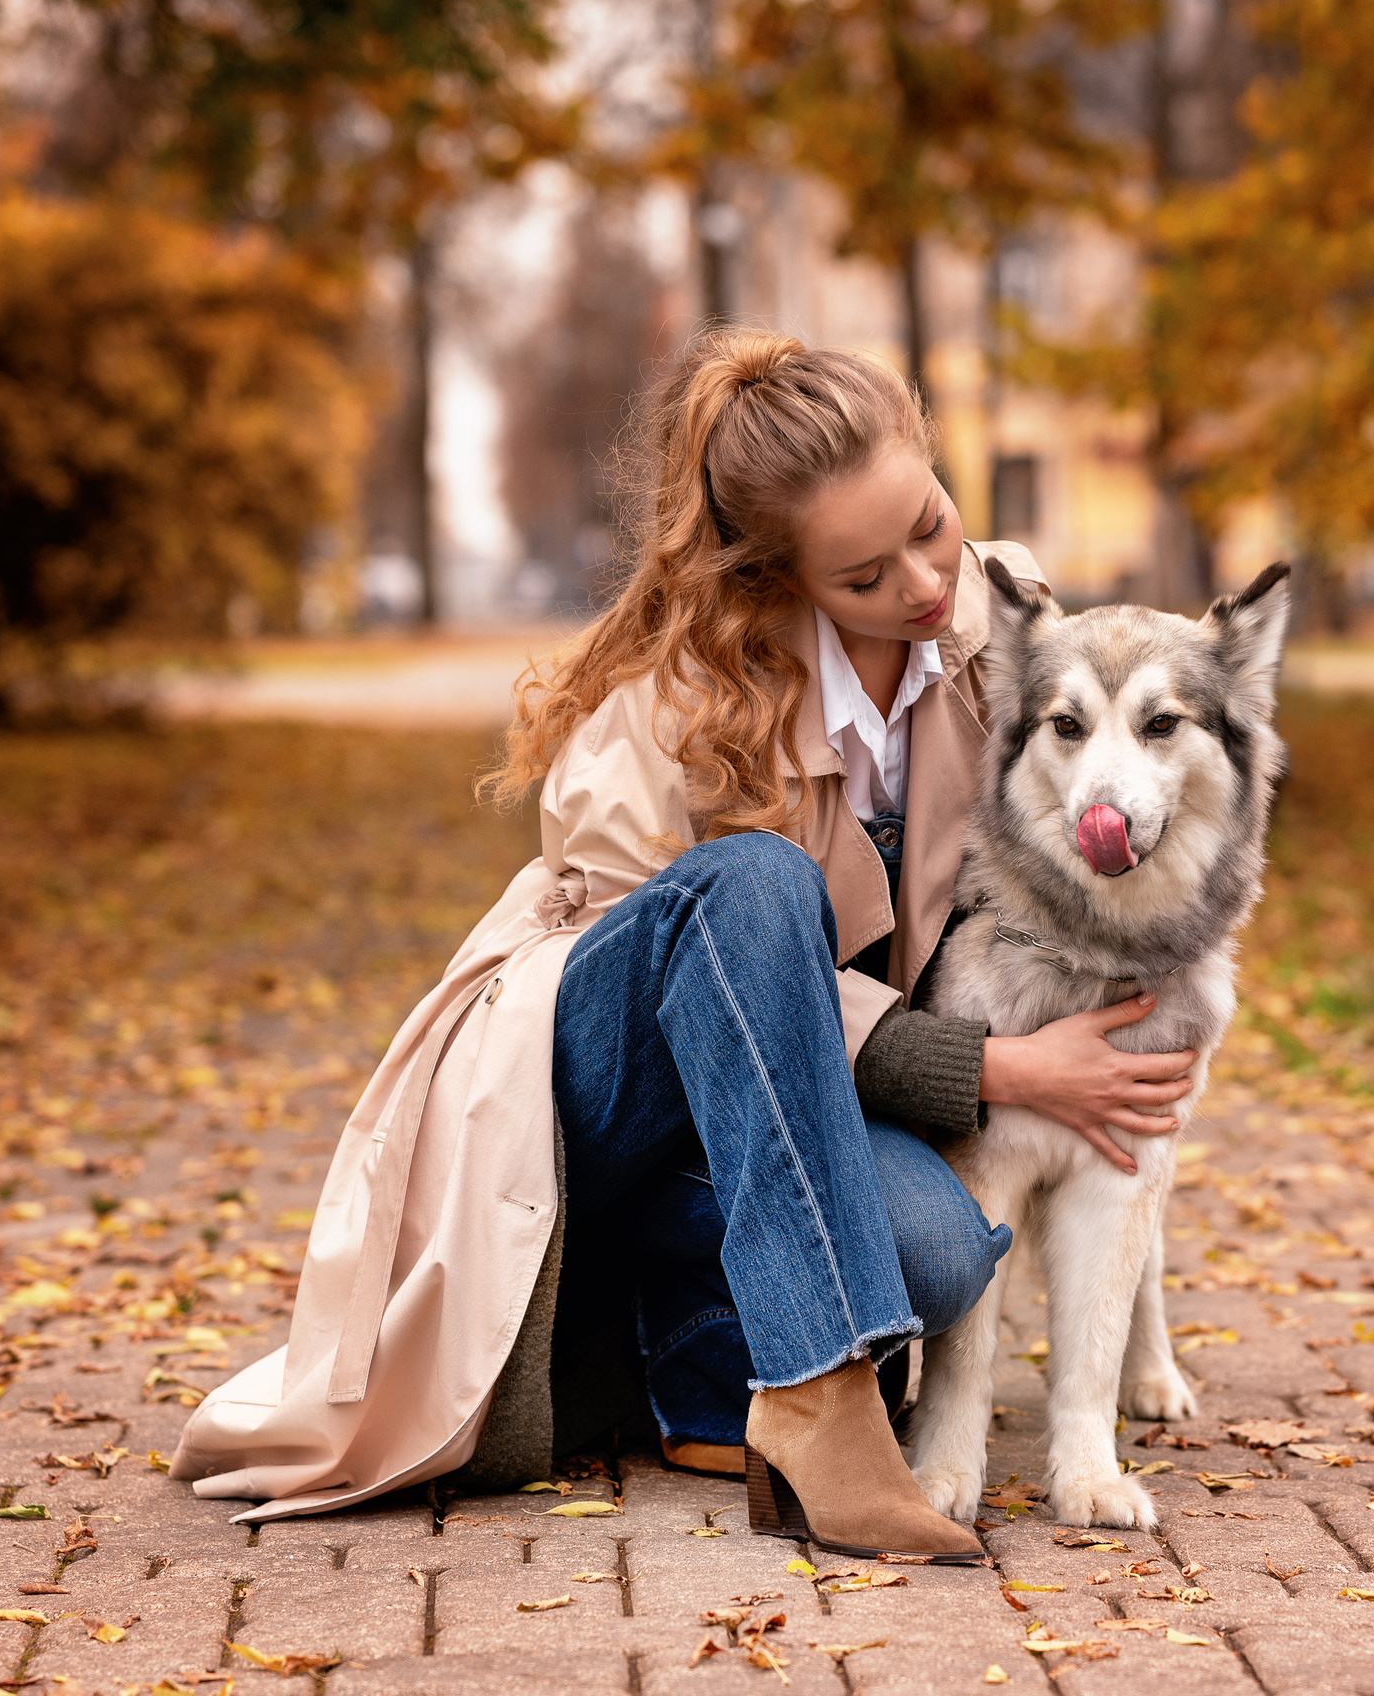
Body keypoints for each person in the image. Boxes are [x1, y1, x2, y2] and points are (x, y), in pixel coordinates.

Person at [167, 329, 1196, 1559]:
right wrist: (985, 1072)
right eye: (864, 576)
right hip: (603, 1094)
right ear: (771, 577)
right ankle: (817, 1404)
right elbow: (674, 992)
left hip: (806, 1103)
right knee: (752, 885)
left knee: (936, 1251)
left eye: (929, 521)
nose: (924, 583)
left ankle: (695, 1356)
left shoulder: (997, 624)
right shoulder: (672, 707)